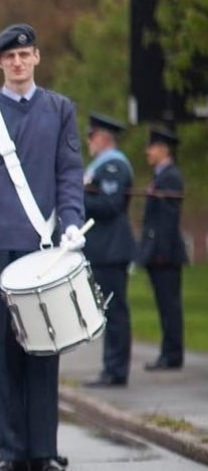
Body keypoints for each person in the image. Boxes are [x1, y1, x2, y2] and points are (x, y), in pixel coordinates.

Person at [0, 24, 84, 471]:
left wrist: (71, 222)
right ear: (0, 63)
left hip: (43, 242)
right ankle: (11, 450)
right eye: (10, 57)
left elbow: (69, 172)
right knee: (3, 350)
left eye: (25, 55)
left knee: (43, 347)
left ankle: (43, 450)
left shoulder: (60, 109)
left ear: (36, 59)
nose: (17, 63)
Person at [81, 113, 137, 387]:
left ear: (102, 138)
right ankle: (111, 368)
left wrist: (78, 195)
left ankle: (116, 371)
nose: (88, 142)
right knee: (108, 311)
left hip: (112, 249)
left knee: (115, 312)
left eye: (91, 136)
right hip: (103, 249)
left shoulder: (113, 166)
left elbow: (110, 206)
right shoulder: (101, 166)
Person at [138, 128, 187, 371]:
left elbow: (167, 220)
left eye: (152, 147)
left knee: (170, 306)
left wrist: (160, 252)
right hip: (158, 251)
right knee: (165, 305)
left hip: (165, 254)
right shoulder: (160, 176)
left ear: (164, 149)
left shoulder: (169, 177)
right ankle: (168, 351)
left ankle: (172, 354)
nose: (148, 151)